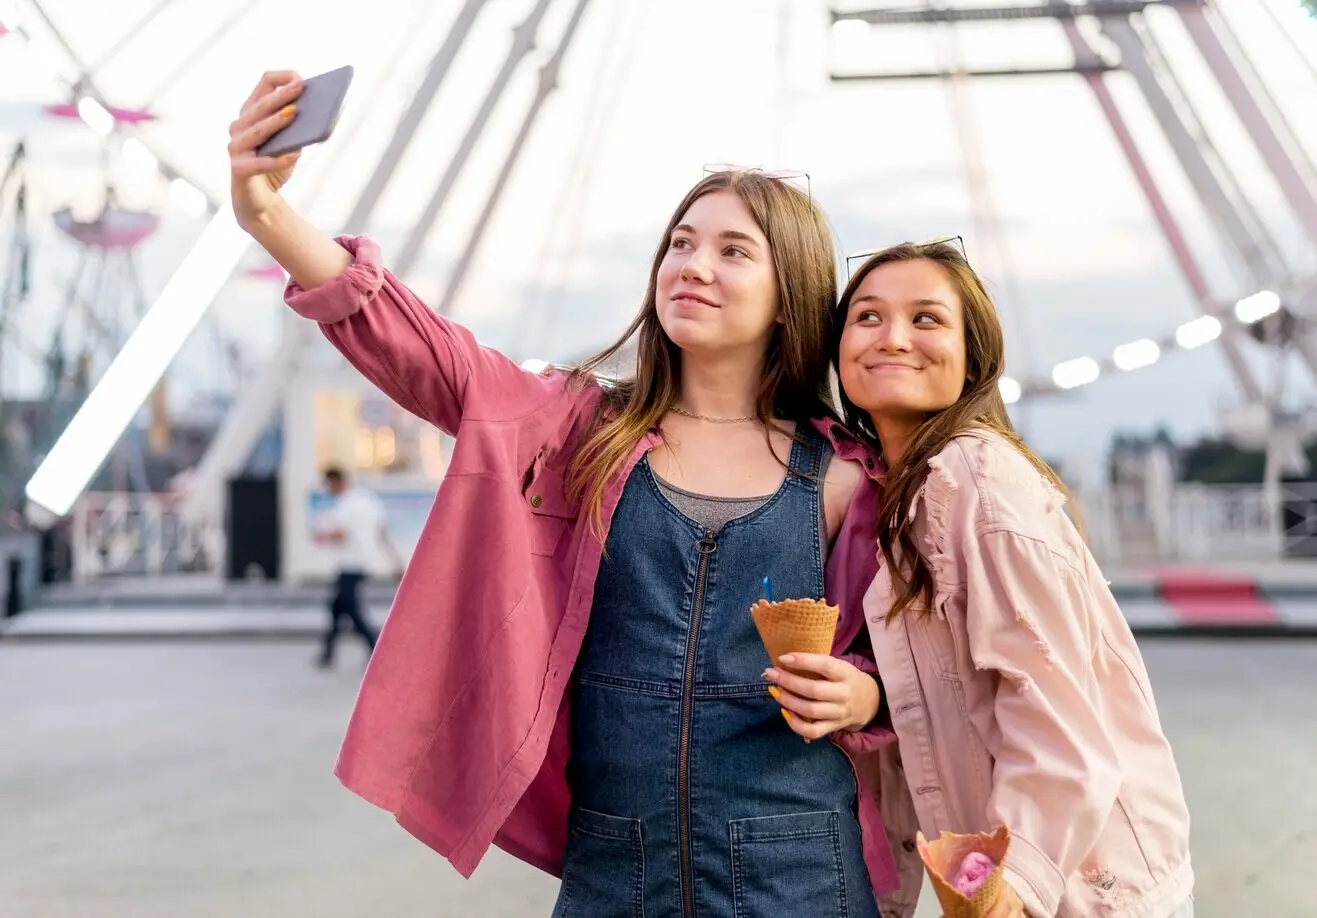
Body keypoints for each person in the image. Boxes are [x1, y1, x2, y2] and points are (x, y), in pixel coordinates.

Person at [228, 70, 901, 915]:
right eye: (682, 243)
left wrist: (866, 693)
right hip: (618, 867)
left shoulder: (848, 475)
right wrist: (267, 214)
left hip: (801, 871)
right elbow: (428, 350)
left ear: (787, 295)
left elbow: (917, 656)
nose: (693, 265)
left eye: (734, 251)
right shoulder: (582, 432)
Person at [779, 240, 1195, 917]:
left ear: (975, 355)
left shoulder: (975, 477)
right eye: (868, 317)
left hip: (1074, 887)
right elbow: (960, 680)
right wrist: (873, 699)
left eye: (926, 319)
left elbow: (1055, 707)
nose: (893, 338)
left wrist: (1017, 881)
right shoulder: (900, 495)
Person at [310, 466, 396, 668]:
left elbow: (341, 534)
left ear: (336, 482)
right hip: (365, 561)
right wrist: (394, 559)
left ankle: (375, 648)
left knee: (349, 608)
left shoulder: (344, 505)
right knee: (337, 607)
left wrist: (321, 536)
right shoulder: (368, 500)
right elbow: (382, 531)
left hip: (350, 563)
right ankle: (328, 652)